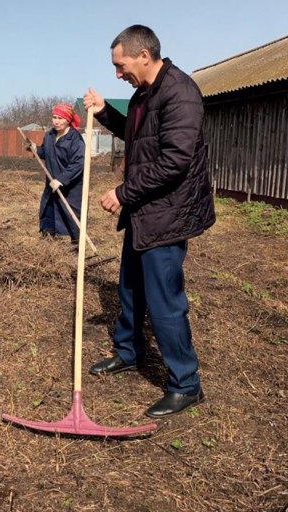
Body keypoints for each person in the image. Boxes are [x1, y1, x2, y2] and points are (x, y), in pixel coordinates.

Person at [84, 25, 215, 418]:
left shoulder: (181, 92)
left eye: (119, 64)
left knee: (164, 303)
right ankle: (128, 353)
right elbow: (134, 134)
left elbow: (175, 160)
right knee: (130, 289)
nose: (117, 73)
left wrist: (124, 193)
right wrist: (105, 110)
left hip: (169, 212)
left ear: (144, 55)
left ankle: (186, 384)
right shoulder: (144, 95)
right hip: (145, 211)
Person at [25, 103, 85, 241]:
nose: (56, 121)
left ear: (68, 120)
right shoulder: (50, 135)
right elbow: (46, 153)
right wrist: (33, 147)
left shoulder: (75, 139)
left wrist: (61, 180)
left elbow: (78, 163)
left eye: (60, 118)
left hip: (70, 187)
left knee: (70, 216)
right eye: (54, 117)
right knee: (49, 212)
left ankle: (76, 245)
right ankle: (49, 242)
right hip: (51, 184)